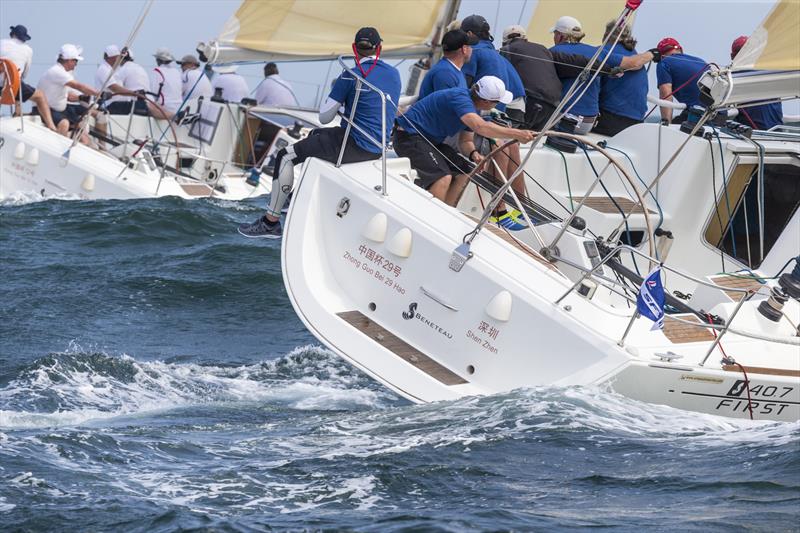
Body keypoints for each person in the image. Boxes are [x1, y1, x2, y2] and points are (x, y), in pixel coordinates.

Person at [238, 27, 401, 238]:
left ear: (354, 49)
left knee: (284, 156)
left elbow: (324, 116)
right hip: (377, 148)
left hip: (353, 145)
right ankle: (292, 197)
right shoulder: (395, 74)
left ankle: (271, 223)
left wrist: (342, 101)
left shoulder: (351, 76)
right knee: (315, 136)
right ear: (379, 48)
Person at [394, 76, 534, 208]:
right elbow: (480, 127)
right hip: (408, 137)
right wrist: (517, 133)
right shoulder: (460, 98)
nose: (496, 105)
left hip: (429, 141)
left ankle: (448, 211)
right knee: (443, 177)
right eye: (496, 102)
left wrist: (473, 154)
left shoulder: (473, 109)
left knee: (466, 172)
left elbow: (465, 140)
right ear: (486, 101)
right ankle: (433, 218)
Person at [550, 16, 656, 134]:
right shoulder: (632, 55)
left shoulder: (602, 51)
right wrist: (652, 53)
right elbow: (635, 63)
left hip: (606, 122)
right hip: (633, 125)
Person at [501, 24, 611, 131]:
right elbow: (576, 61)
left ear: (504, 41)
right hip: (552, 109)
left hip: (529, 106)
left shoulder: (505, 51)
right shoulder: (544, 50)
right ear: (526, 38)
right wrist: (608, 70)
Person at [593, 21, 650, 136]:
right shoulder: (635, 54)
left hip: (611, 120)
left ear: (607, 35)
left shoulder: (603, 51)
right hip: (636, 125)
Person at [36, 44, 101, 140]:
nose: (76, 63)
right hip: (48, 110)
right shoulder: (57, 71)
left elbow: (70, 94)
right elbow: (78, 86)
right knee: (64, 123)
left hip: (60, 110)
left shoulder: (62, 72)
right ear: (69, 60)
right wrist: (99, 93)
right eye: (76, 60)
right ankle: (58, 150)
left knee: (83, 134)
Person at [0, 24, 57, 130]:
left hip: (2, 85)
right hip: (13, 87)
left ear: (12, 34)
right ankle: (52, 126)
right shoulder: (28, 50)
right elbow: (24, 74)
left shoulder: (1, 43)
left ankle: (17, 112)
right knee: (40, 96)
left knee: (15, 81)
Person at [729, 35, 783, 131]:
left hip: (754, 134)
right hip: (778, 131)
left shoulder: (733, 76)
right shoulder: (772, 71)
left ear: (733, 56)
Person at [655, 37, 709, 123]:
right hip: (719, 114)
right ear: (681, 49)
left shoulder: (664, 63)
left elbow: (665, 93)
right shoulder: (701, 61)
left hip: (698, 115)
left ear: (660, 56)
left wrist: (666, 123)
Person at [418, 29, 476, 99]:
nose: (472, 49)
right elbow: (446, 107)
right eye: (470, 46)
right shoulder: (445, 73)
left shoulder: (450, 69)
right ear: (464, 49)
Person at [105, 48, 150, 115]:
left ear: (121, 59)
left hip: (135, 103)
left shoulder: (122, 70)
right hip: (147, 102)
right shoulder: (140, 68)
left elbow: (116, 89)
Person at [149, 47, 182, 117]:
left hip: (166, 108)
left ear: (158, 60)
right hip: (179, 107)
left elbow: (153, 94)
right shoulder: (177, 72)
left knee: (147, 105)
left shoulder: (157, 71)